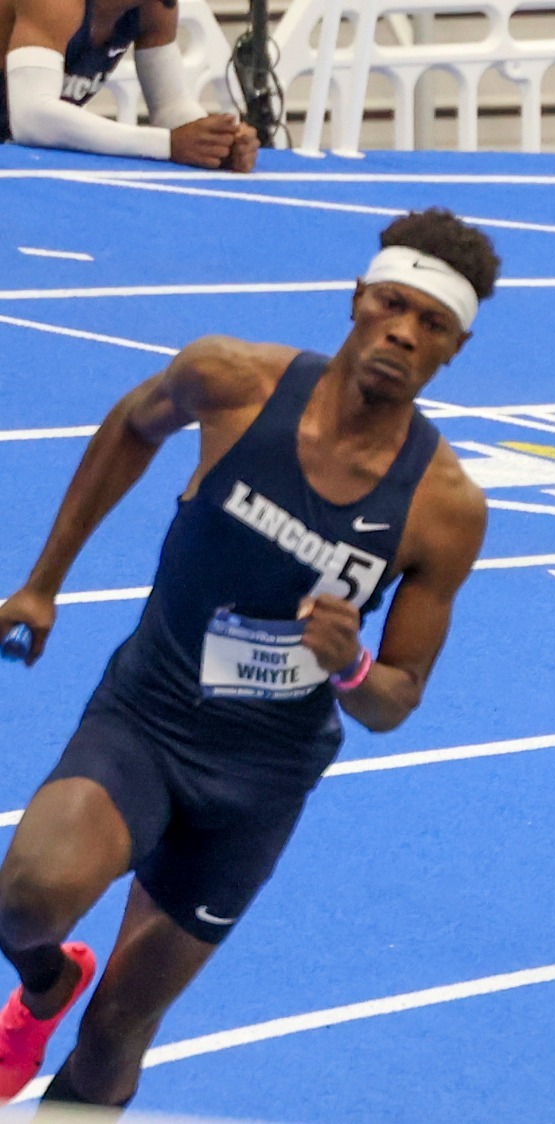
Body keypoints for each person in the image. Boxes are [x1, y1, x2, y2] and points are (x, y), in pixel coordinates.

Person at [0, 207, 496, 1109]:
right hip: (148, 716)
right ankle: (42, 984)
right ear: (357, 300)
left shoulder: (445, 508)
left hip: (259, 778)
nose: (403, 332)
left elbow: (397, 699)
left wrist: (348, 666)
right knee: (27, 899)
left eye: (434, 325)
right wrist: (43, 582)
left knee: (117, 1033)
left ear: (453, 350)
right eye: (393, 303)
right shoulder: (231, 381)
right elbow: (130, 426)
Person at [3, 0, 256, 169]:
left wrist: (216, 142)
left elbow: (171, 107)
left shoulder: (155, 8)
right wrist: (167, 144)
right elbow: (31, 117)